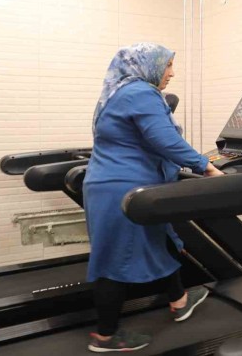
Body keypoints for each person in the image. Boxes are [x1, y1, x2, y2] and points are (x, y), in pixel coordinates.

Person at [84, 42, 224, 352]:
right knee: (113, 259)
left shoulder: (117, 91)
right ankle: (105, 337)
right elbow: (165, 140)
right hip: (125, 189)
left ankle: (179, 300)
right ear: (147, 64)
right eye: (168, 65)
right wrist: (207, 167)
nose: (172, 73)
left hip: (114, 185)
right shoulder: (140, 93)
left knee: (161, 238)